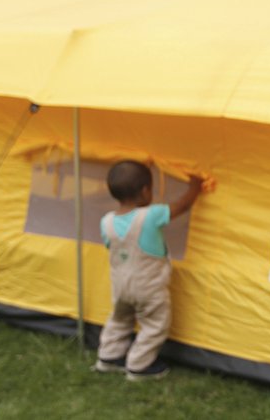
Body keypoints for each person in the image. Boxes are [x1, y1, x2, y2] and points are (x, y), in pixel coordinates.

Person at [92, 160, 203, 381]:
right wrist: (195, 187)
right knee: (154, 324)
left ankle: (109, 357)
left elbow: (112, 246)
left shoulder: (106, 222)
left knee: (119, 319)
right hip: (148, 288)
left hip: (121, 286)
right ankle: (139, 366)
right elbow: (181, 207)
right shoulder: (150, 216)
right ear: (145, 191)